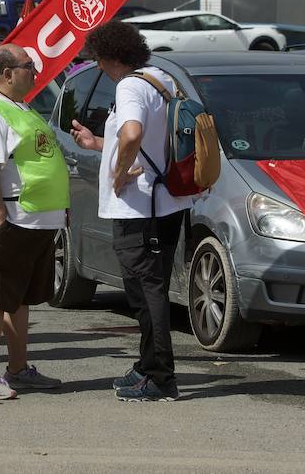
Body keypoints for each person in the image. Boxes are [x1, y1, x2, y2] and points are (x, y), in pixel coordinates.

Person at [72, 21, 193, 402]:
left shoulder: (129, 85)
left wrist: (119, 173)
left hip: (141, 207)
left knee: (146, 292)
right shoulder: (161, 79)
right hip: (166, 201)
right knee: (149, 289)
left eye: (97, 60)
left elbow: (134, 135)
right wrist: (96, 145)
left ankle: (160, 376)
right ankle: (147, 367)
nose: (98, 68)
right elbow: (147, 141)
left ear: (110, 57)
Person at [0, 45, 66, 400]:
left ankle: (18, 369)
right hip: (6, 220)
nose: (35, 72)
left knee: (18, 299)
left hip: (33, 220)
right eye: (28, 67)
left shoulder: (19, 107)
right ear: (7, 74)